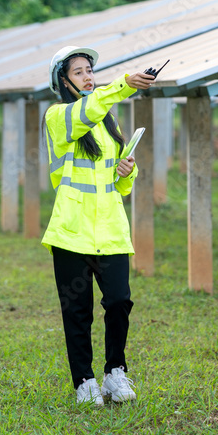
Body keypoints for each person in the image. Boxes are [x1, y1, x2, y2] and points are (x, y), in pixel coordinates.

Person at [41, 45, 158, 407]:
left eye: (90, 70)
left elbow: (121, 183)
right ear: (63, 81)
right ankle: (84, 380)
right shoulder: (58, 116)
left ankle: (114, 373)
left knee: (120, 301)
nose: (88, 77)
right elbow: (85, 112)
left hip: (109, 230)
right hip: (71, 230)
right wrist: (123, 84)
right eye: (78, 72)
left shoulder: (108, 122)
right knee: (77, 309)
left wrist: (128, 169)